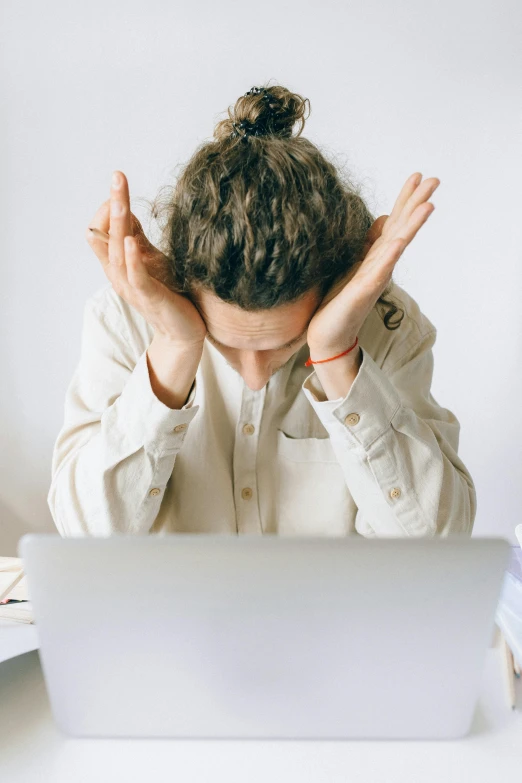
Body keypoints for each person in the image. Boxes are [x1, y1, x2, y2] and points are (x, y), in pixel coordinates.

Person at [47, 83, 476, 538]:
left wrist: (336, 355)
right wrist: (176, 346)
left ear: (332, 288)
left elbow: (436, 543)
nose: (254, 376)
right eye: (225, 340)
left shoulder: (389, 328)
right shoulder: (124, 321)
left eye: (286, 343)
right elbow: (85, 538)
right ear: (185, 284)